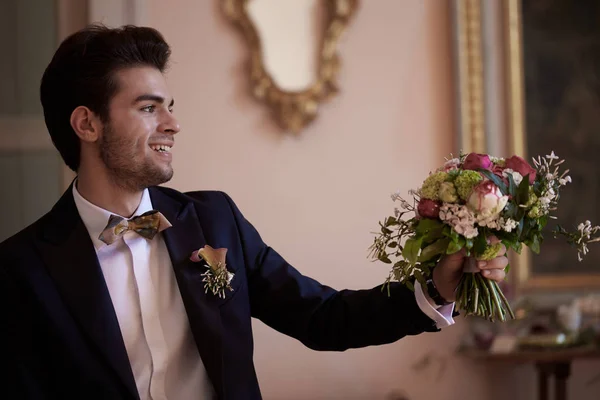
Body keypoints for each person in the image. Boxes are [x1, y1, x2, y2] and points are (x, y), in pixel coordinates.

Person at [0, 24, 508, 400]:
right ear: (87, 124)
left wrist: (438, 290)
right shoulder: (21, 269)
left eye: (170, 105)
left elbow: (322, 317)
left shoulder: (216, 220)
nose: (173, 124)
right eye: (149, 107)